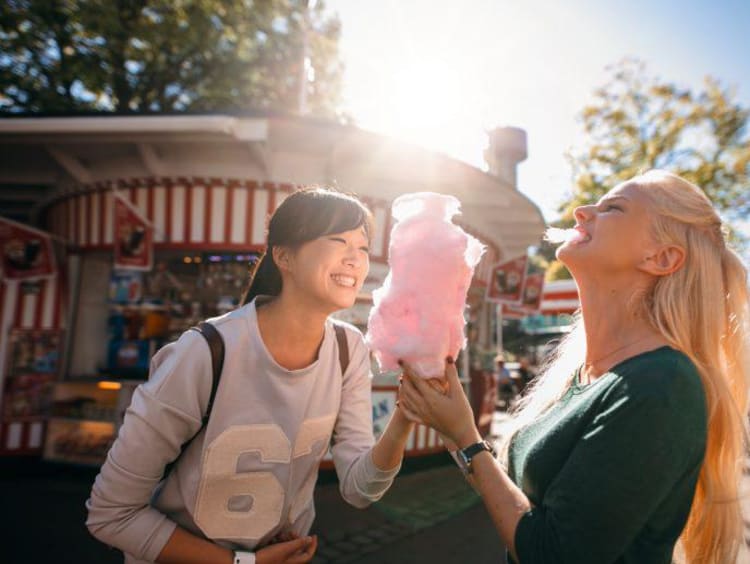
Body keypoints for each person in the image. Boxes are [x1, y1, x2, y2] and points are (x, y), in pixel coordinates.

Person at [399, 170, 748, 563]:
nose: (581, 211)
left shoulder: (662, 385)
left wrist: (465, 436)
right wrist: (450, 428)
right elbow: (522, 494)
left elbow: (554, 555)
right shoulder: (584, 372)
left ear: (662, 257)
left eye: (612, 208)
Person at [87, 188, 415, 564]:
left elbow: (359, 489)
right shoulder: (205, 352)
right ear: (284, 256)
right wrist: (245, 563)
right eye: (339, 240)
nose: (355, 259)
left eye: (362, 246)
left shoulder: (349, 349)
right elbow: (111, 514)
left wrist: (405, 416)